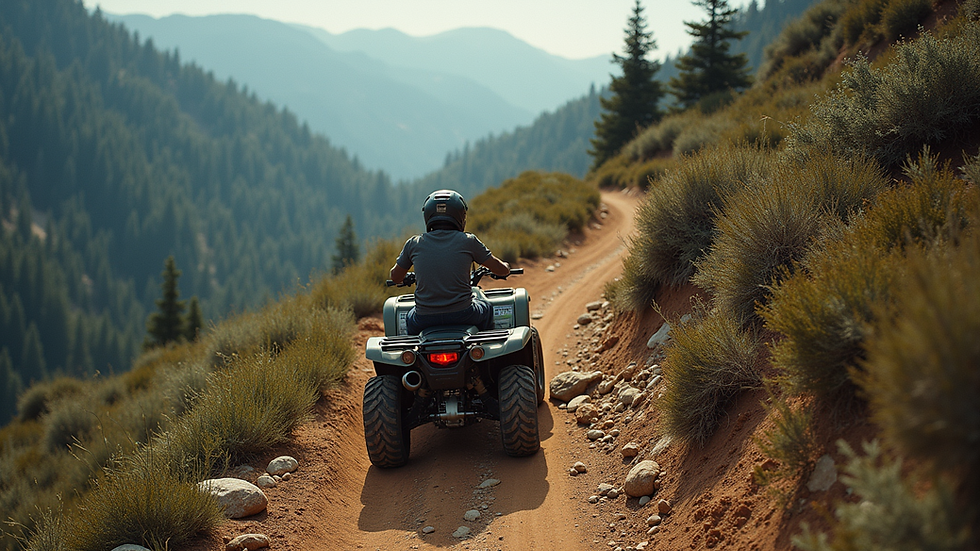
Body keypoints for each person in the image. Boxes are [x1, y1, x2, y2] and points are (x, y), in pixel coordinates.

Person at [390, 189, 511, 334]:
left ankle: (412, 354)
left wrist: (408, 275)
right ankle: (481, 351)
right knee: (486, 307)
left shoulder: (414, 243)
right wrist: (506, 267)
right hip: (464, 315)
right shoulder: (468, 241)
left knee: (410, 317)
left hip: (424, 318)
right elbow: (500, 270)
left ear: (427, 216)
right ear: (461, 216)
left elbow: (395, 277)